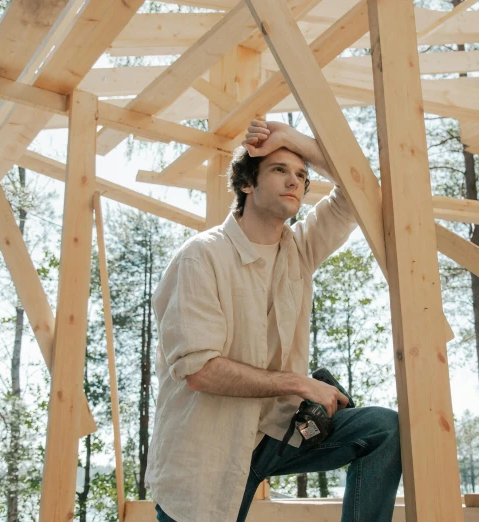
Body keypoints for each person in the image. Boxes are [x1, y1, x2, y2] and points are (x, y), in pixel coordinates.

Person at [146, 120, 402, 522]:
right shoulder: (201, 257)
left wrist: (293, 140)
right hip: (208, 451)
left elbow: (358, 190)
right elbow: (200, 371)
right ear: (247, 184)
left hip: (278, 434)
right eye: (280, 170)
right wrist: (299, 383)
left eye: (301, 175)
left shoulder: (299, 249)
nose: (294, 182)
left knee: (384, 430)